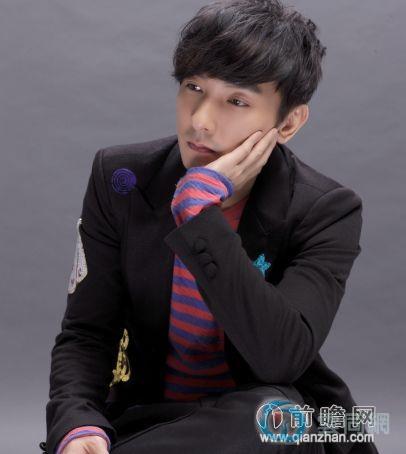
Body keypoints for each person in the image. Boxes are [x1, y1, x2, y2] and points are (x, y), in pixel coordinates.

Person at [41, 1, 380, 453]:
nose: (199, 120)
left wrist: (198, 210)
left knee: (276, 417)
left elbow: (280, 358)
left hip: (268, 426)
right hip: (155, 423)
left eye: (236, 101)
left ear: (288, 122)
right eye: (193, 87)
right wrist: (78, 425)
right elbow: (87, 334)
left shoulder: (325, 210)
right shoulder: (121, 179)